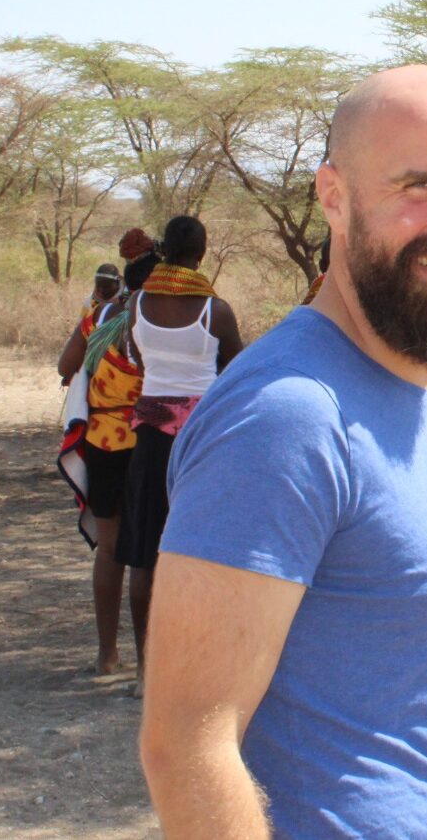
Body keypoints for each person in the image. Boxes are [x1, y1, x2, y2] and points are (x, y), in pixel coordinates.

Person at [139, 65, 427, 839]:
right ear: (334, 198)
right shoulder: (289, 415)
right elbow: (187, 747)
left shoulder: (418, 381)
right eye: (421, 186)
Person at [115, 215, 244, 689]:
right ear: (202, 254)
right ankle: (202, 662)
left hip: (150, 437)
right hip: (203, 440)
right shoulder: (216, 311)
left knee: (144, 555)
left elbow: (135, 357)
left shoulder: (137, 304)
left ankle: (146, 669)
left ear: (164, 249)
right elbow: (236, 371)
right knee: (207, 550)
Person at [57, 249, 155, 675]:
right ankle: (146, 665)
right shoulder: (163, 318)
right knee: (146, 553)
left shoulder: (100, 317)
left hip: (102, 441)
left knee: (110, 549)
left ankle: (107, 655)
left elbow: (65, 365)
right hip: (149, 441)